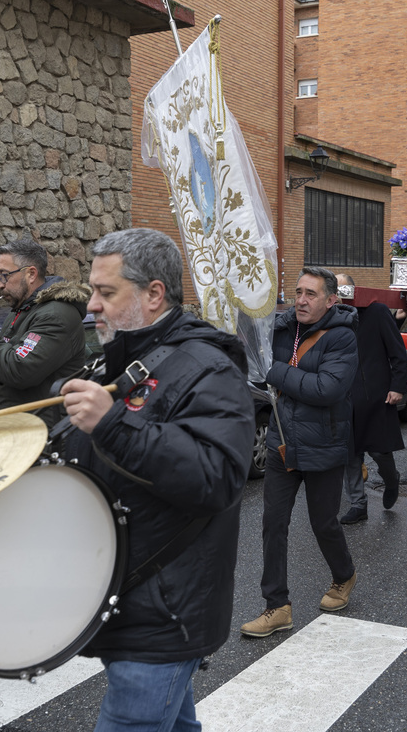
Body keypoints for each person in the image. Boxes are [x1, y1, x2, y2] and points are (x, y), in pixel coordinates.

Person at [58, 228, 253, 731]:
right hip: (131, 591)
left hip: (167, 606)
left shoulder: (209, 368)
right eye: (92, 292)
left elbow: (219, 477)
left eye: (106, 293)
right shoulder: (114, 358)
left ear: (153, 294)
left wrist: (111, 423)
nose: (92, 306)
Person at [241, 266, 358, 638]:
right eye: (298, 292)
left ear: (331, 300)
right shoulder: (280, 327)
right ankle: (277, 606)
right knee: (273, 523)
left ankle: (344, 575)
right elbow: (247, 341)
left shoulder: (342, 338)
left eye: (311, 294)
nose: (302, 300)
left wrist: (273, 370)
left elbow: (326, 389)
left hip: (323, 444)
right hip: (281, 443)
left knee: (323, 523)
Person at [0, 238, 87, 427]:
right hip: (18, 428)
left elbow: (18, 370)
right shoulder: (21, 309)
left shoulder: (56, 315)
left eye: (4, 275)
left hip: (43, 433)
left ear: (31, 274)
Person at [335, 274, 405, 524]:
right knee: (348, 455)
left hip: (375, 397)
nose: (339, 293)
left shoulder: (377, 312)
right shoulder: (333, 317)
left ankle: (391, 478)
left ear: (354, 289)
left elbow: (397, 352)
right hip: (343, 398)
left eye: (342, 287)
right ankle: (358, 504)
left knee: (379, 451)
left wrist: (398, 386)